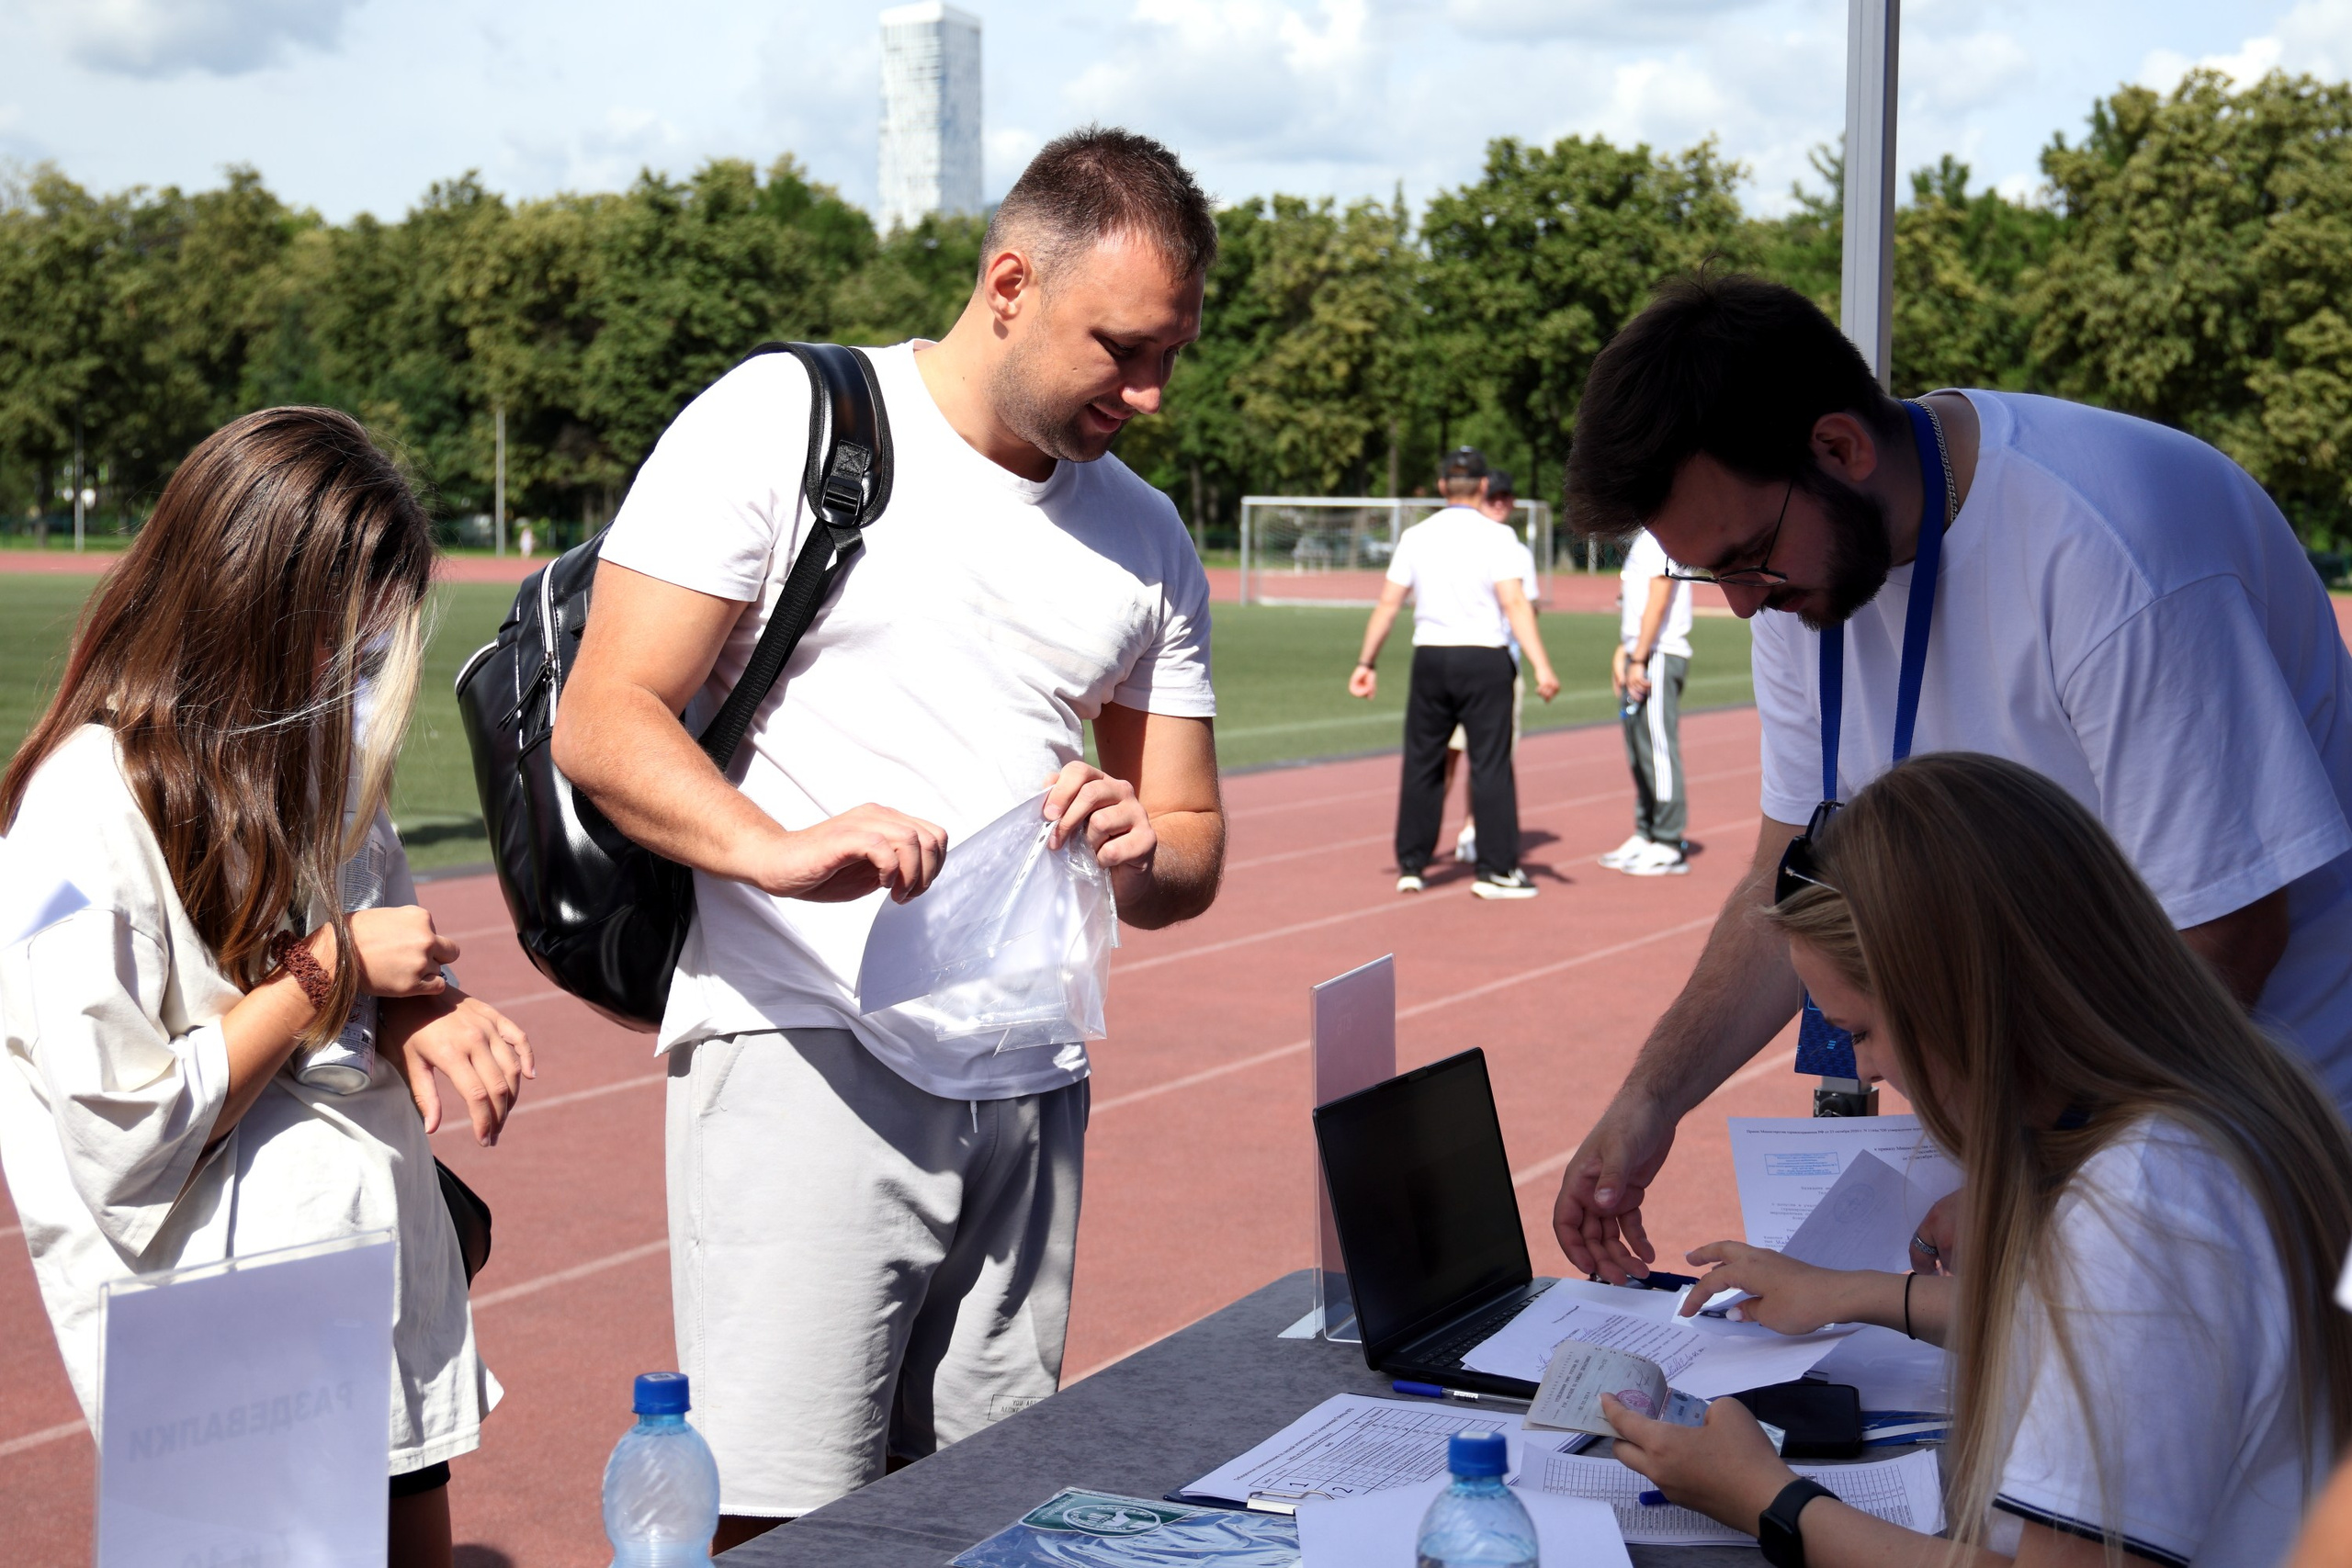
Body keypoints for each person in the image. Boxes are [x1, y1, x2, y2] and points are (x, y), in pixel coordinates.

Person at [549, 128, 1227, 1545]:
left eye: (1172, 354)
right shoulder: (787, 420)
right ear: (1008, 283)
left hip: (1031, 1081)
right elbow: (605, 718)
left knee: (984, 1513)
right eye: (1123, 350)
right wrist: (770, 844)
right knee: (782, 1515)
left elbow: (1192, 846)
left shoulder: (1149, 533)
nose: (1151, 394)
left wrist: (1134, 840)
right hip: (806, 1043)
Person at [1550, 271, 2352, 1283]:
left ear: (1838, 447)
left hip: (2263, 1127)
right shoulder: (1809, 578)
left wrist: (2037, 1170)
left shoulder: (2108, 547)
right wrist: (1650, 1099)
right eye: (1713, 575)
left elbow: (2224, 936)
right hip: (2047, 1114)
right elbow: (1785, 886)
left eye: (1747, 558)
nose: (1745, 606)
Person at [0, 407, 534, 1568]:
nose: (360, 662)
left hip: (366, 1271)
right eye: (343, 625)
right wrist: (329, 970)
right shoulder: (81, 806)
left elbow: (363, 968)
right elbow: (123, 1138)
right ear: (249, 595)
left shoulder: (321, 760)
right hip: (224, 1330)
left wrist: (417, 1012)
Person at [1605, 752, 2352, 1567]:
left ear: (1963, 1006)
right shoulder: (2215, 1105)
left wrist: (1766, 1498)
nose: (1862, 1070)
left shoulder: (2143, 1202)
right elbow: (2097, 1332)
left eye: (1861, 1031)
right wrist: (1850, 1292)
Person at [1350, 447, 1559, 899]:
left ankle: (1412, 863)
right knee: (1490, 764)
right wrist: (1542, 665)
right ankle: (1496, 869)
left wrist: (1366, 662)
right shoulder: (1498, 537)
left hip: (1430, 657)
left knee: (1423, 761)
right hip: (1484, 657)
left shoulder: (1416, 536)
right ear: (1484, 486)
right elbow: (1515, 604)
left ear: (1443, 486)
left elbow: (1389, 604)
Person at [1441, 466, 1542, 866]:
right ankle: (1427, 832)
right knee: (1446, 753)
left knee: (1491, 756)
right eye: (1492, 497)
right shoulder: (1457, 542)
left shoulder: (1513, 548)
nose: (1499, 504)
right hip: (1457, 661)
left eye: (1505, 498)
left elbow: (1526, 605)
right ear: (1480, 496)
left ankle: (1473, 828)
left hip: (1501, 662)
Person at [1600, 527, 1695, 877]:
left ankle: (1668, 840)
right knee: (1638, 748)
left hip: (1658, 653)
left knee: (1657, 747)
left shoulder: (1662, 535)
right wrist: (1625, 651)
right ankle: (1647, 831)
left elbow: (1660, 594)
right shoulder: (1645, 536)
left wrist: (1639, 657)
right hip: (1642, 652)